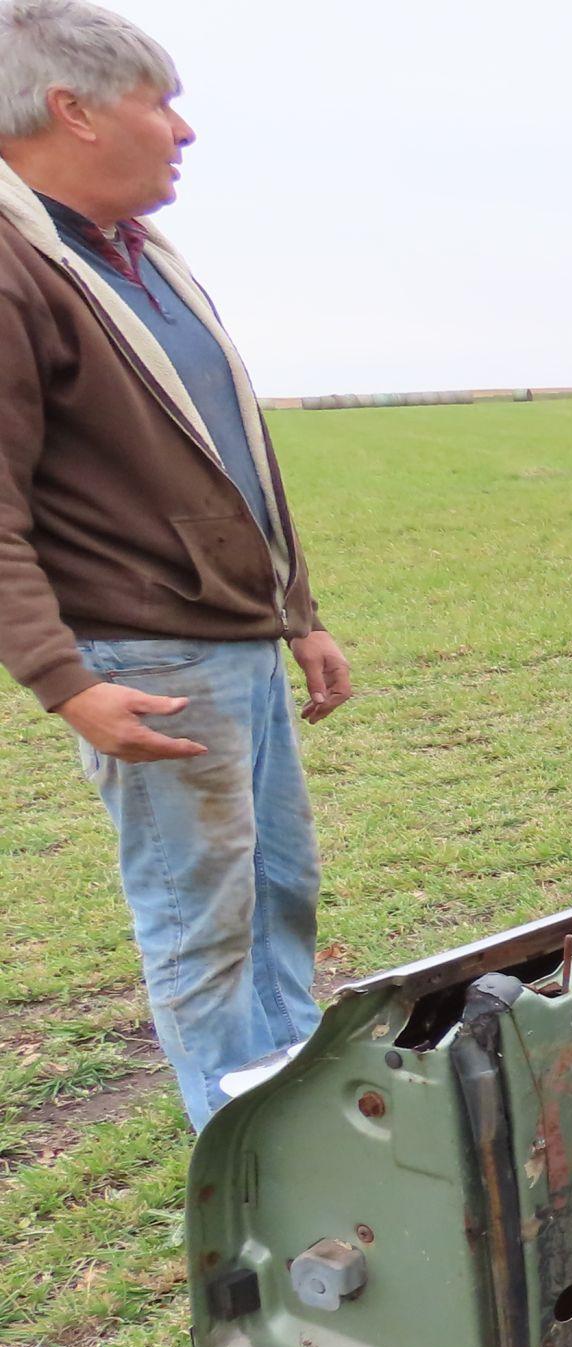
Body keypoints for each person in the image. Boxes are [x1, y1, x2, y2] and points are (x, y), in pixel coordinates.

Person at [0, 0, 349, 1128]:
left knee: (280, 895)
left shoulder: (139, 257)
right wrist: (67, 681)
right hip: (145, 656)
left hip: (237, 637)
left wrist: (297, 610)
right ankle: (242, 1155)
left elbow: (229, 451)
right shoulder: (16, 269)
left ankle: (292, 1106)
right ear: (73, 110)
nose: (184, 131)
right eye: (161, 101)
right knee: (203, 923)